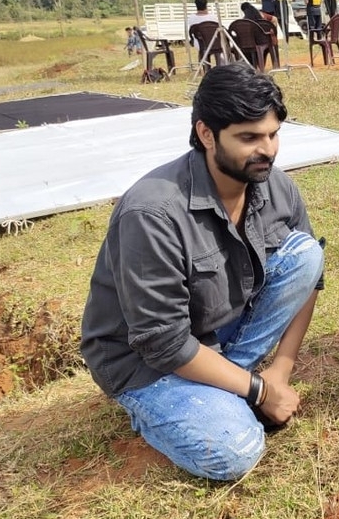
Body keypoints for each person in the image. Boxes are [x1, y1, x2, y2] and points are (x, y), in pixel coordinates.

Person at [80, 64, 324, 480]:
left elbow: (310, 281)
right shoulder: (152, 213)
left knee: (305, 254)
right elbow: (163, 344)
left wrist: (280, 370)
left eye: (273, 134)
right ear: (207, 134)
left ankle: (226, 377)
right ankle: (161, 408)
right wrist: (261, 391)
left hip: (218, 332)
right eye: (249, 138)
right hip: (146, 362)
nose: (267, 149)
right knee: (235, 450)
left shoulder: (274, 185)